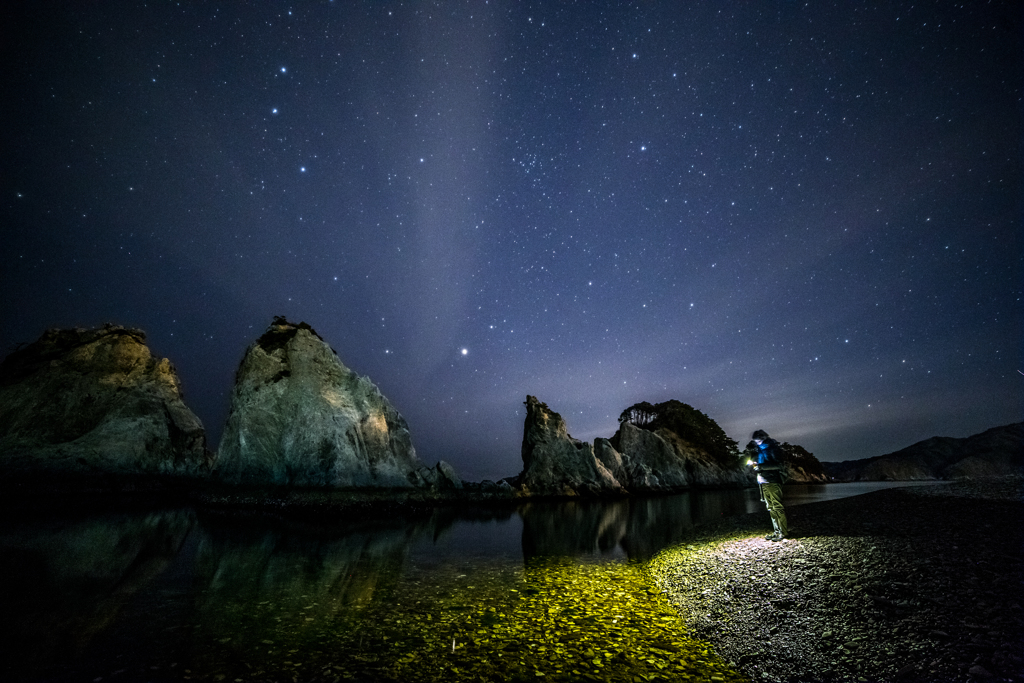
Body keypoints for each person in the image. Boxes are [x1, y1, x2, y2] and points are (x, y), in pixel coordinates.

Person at [750, 429, 788, 541]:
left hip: (772, 480)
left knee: (777, 506)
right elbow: (764, 463)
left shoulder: (773, 448)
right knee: (770, 507)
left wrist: (762, 467)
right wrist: (757, 465)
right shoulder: (760, 449)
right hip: (763, 481)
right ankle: (777, 531)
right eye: (755, 441)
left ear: (762, 438)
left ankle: (783, 532)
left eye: (757, 440)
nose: (757, 442)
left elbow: (779, 465)